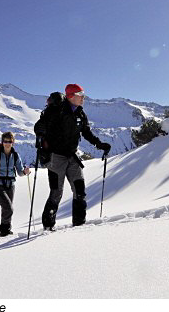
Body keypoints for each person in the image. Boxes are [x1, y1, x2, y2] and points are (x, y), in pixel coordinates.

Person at [34, 84, 111, 230]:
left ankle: (79, 225)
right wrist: (40, 134)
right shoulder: (56, 110)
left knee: (80, 191)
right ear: (70, 96)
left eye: (83, 94)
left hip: (72, 156)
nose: (83, 97)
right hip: (56, 158)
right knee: (56, 192)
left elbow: (87, 133)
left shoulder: (80, 114)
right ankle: (48, 227)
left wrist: (100, 144)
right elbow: (39, 126)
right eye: (80, 94)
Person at [0, 132, 31, 236]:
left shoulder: (15, 155)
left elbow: (19, 171)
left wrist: (25, 172)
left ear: (13, 143)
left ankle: (6, 230)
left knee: (7, 208)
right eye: (5, 141)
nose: (7, 143)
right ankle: (4, 231)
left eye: (9, 141)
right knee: (8, 208)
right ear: (2, 142)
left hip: (11, 185)